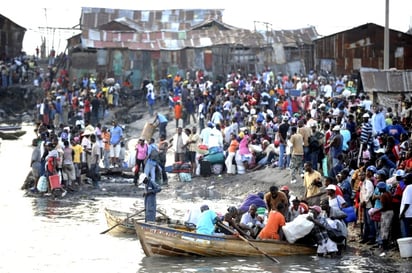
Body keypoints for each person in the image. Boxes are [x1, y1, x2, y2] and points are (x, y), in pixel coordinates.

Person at [399, 173, 412, 238]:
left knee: (406, 234)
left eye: (405, 179)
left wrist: (402, 213)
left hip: (407, 214)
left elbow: (407, 203)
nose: (403, 180)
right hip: (410, 214)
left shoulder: (408, 188)